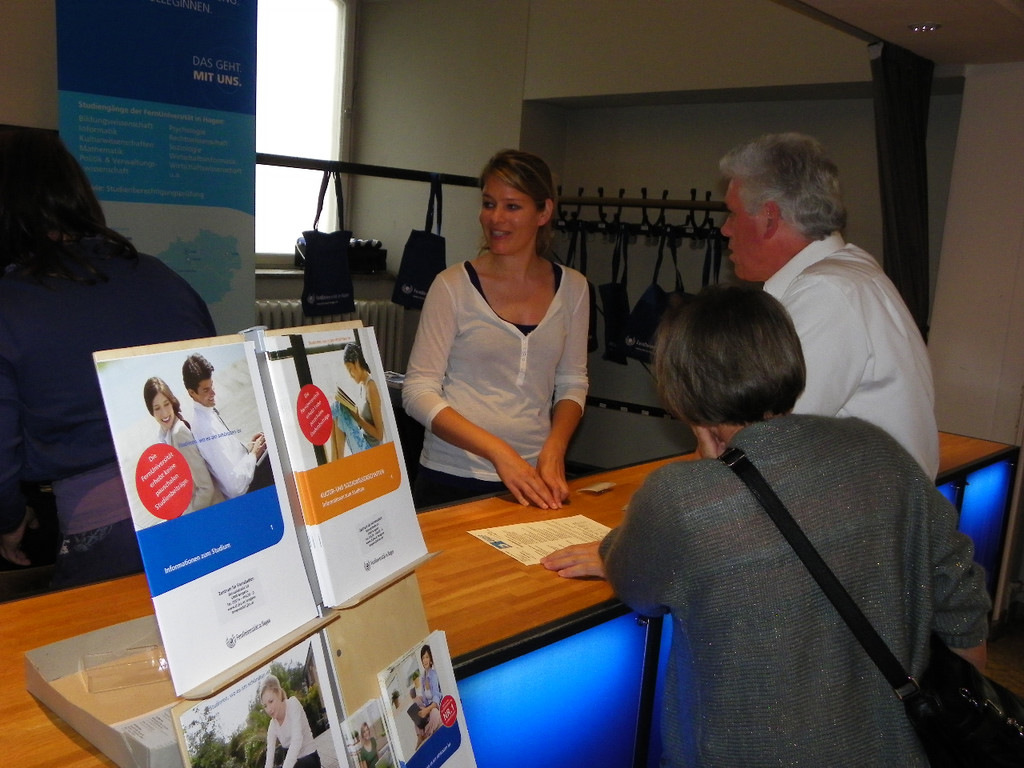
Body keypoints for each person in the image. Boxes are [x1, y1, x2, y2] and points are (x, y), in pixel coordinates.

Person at [542, 286, 990, 767]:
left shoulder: (680, 496)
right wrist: (966, 706)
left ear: (679, 386)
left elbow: (638, 586)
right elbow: (956, 589)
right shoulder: (879, 450)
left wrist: (613, 548)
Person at [0, 129, 216, 585]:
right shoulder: (162, 276)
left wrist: (9, 518)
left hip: (105, 534)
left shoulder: (11, 304)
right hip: (206, 506)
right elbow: (205, 375)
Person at [718, 132, 939, 477]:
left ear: (770, 217)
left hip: (865, 506)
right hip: (873, 498)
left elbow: (762, 444)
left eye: (732, 214)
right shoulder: (848, 272)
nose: (725, 230)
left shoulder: (826, 293)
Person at [402, 149, 589, 509]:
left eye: (512, 206)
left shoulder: (574, 288)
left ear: (544, 213)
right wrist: (499, 452)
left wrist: (554, 448)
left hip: (533, 479)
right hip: (451, 476)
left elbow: (572, 381)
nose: (495, 218)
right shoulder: (452, 285)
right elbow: (418, 391)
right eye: (489, 204)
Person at [181, 353, 273, 499]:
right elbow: (234, 486)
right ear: (192, 393)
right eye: (206, 390)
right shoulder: (205, 427)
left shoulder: (208, 414)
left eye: (212, 385)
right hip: (248, 493)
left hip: (248, 481)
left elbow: (229, 460)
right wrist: (254, 455)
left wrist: (249, 448)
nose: (213, 393)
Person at [143, 377, 223, 514]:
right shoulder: (165, 437)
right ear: (151, 412)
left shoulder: (178, 434)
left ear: (172, 402)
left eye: (166, 404)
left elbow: (206, 488)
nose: (164, 413)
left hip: (212, 510)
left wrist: (184, 517)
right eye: (157, 408)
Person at [331, 341, 385, 458]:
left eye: (350, 369)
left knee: (337, 407)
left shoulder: (371, 387)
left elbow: (379, 435)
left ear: (356, 363)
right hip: (363, 437)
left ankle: (337, 461)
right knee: (336, 407)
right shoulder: (363, 385)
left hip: (370, 447)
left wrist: (357, 418)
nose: (350, 375)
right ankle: (336, 461)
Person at [260, 674, 320, 768]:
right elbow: (269, 758)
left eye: (271, 701)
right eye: (265, 706)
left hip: (309, 758)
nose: (269, 709)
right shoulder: (273, 725)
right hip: (293, 764)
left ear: (279, 694)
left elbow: (297, 740)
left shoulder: (293, 704)